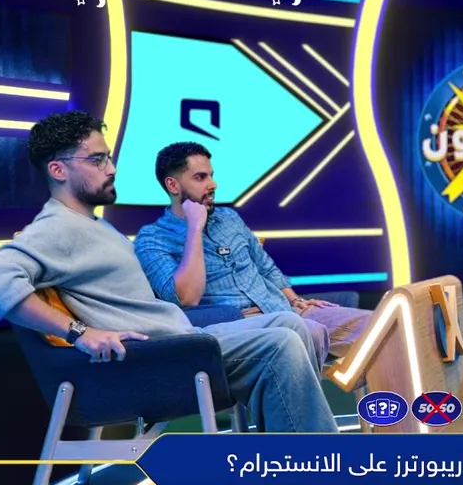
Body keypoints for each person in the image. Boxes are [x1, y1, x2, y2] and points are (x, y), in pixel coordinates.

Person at [0, 110, 339, 434]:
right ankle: (309, 471)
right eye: (97, 160)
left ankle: (286, 449)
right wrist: (81, 332)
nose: (111, 168)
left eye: (109, 157)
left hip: (179, 337)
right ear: (58, 170)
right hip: (159, 358)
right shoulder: (55, 228)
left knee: (291, 323)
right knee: (282, 344)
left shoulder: (92, 224)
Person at [133, 142, 372, 366]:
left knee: (380, 325)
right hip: (239, 323)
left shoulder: (229, 218)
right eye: (200, 177)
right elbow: (186, 298)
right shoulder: (152, 238)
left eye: (211, 175)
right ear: (173, 186)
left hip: (282, 307)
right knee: (310, 332)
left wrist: (295, 299)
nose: (213, 184)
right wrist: (194, 227)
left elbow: (264, 266)